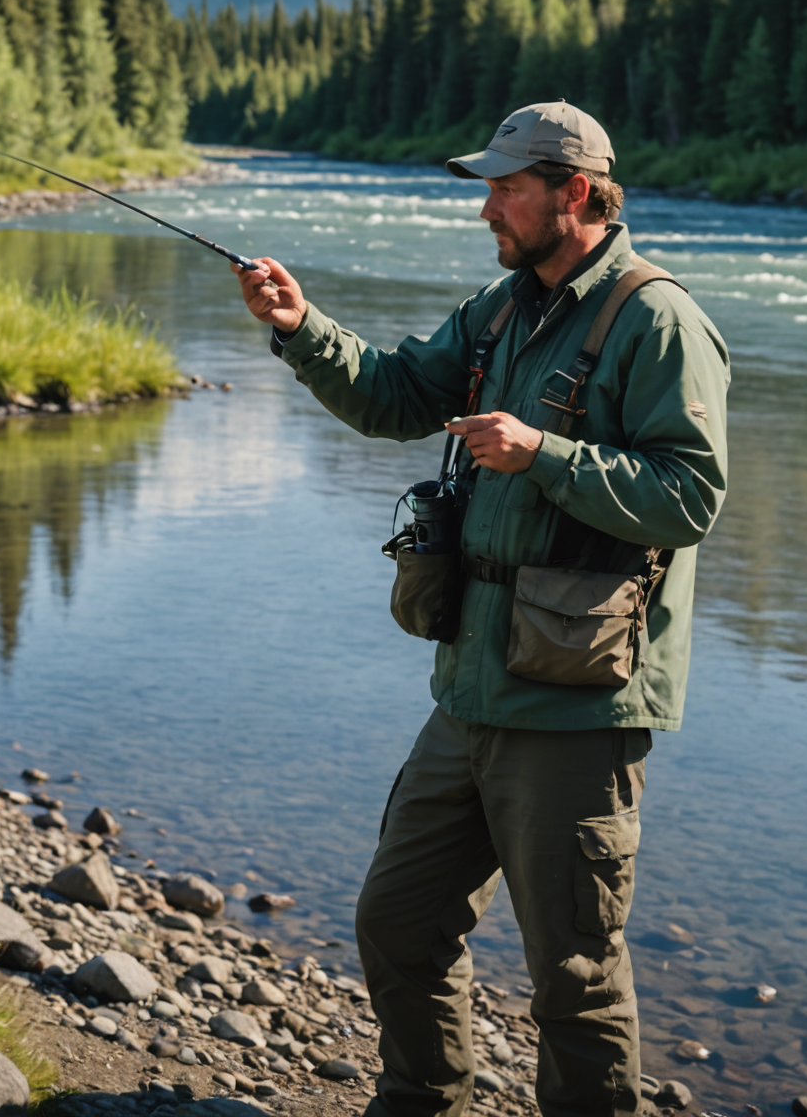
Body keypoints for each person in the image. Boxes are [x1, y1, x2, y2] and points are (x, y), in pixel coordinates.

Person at [234, 101, 730, 1117]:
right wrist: (301, 327)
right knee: (399, 921)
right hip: (469, 689)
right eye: (489, 189)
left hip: (579, 708)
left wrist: (542, 452)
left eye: (506, 189)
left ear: (574, 194)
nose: (488, 210)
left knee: (575, 980)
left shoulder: (658, 319)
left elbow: (691, 496)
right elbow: (394, 397)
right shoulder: (501, 310)